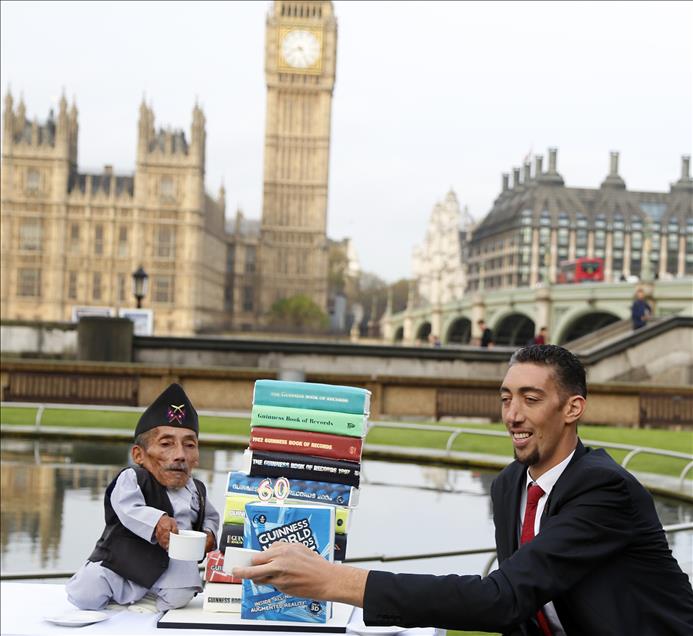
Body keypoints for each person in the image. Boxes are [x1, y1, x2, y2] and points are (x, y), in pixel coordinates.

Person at [236, 345, 693, 635]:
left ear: (573, 408)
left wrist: (337, 580)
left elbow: (502, 598)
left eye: (531, 399)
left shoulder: (604, 488)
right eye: (506, 398)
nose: (512, 414)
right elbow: (520, 614)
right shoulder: (510, 484)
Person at [66, 383, 219, 612]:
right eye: (166, 444)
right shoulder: (132, 478)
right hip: (124, 561)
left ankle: (147, 601)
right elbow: (129, 508)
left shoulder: (197, 490)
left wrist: (209, 536)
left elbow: (211, 518)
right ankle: (123, 596)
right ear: (139, 454)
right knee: (86, 594)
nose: (180, 455)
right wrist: (157, 522)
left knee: (180, 595)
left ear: (197, 456)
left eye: (189, 445)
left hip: (173, 566)